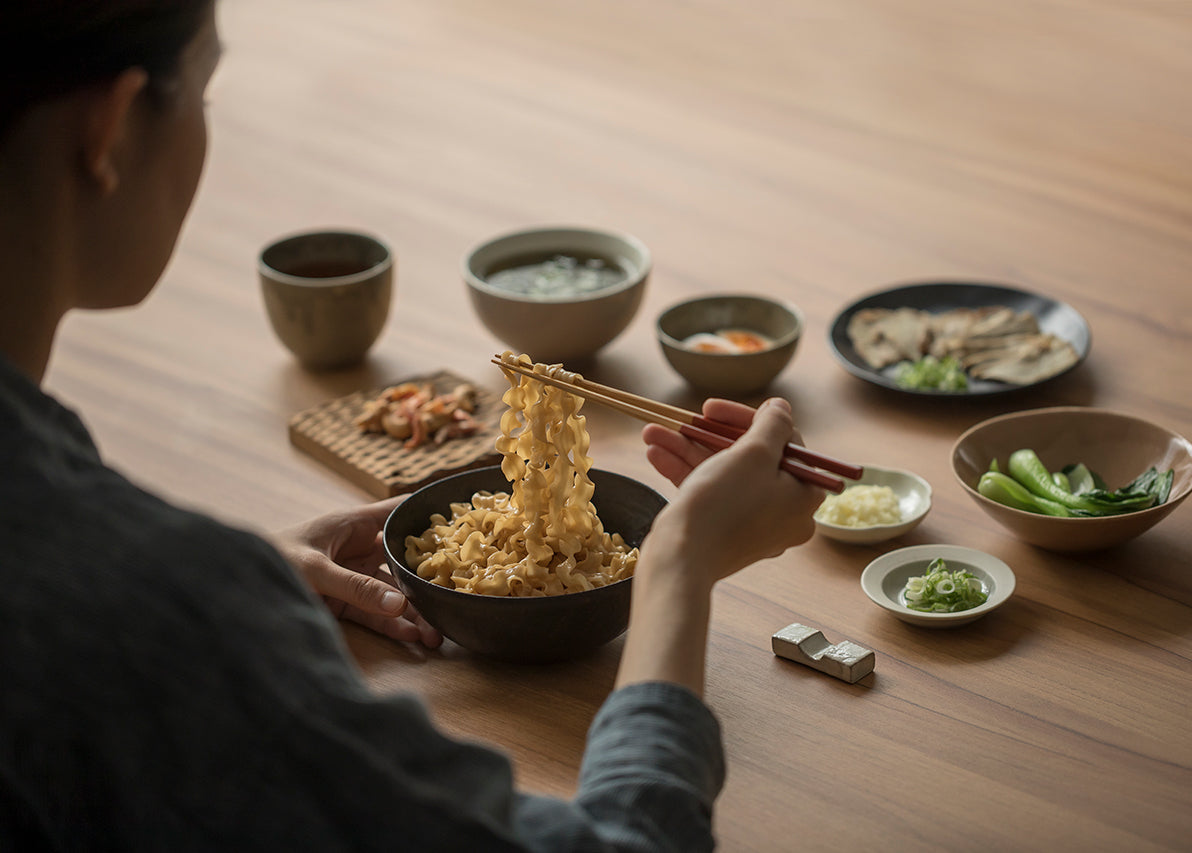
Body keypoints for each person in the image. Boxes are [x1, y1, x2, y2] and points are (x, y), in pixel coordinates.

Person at [0, 2, 826, 850]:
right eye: (206, 93)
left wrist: (223, 582)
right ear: (109, 132)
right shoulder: (136, 601)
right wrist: (680, 563)